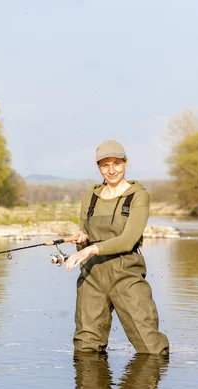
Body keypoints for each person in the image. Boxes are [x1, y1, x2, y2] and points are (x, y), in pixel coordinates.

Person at [65, 140, 169, 355]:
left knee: (151, 348)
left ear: (125, 163)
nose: (111, 170)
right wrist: (81, 241)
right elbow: (84, 238)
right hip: (92, 275)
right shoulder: (90, 197)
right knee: (86, 348)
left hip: (125, 273)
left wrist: (90, 249)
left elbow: (128, 240)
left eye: (116, 164)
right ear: (98, 167)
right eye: (105, 165)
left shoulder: (138, 195)